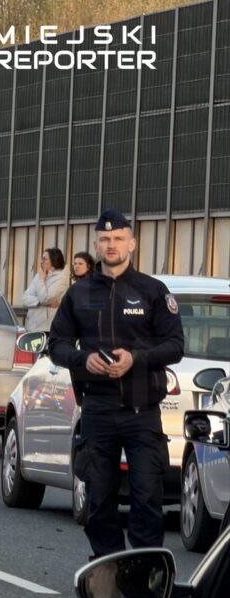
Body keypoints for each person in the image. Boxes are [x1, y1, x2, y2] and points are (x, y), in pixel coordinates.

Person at [48, 209, 184, 558]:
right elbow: (57, 344)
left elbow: (175, 345)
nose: (112, 245)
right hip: (97, 410)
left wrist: (135, 359)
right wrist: (83, 359)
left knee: (147, 498)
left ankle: (144, 573)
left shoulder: (152, 290)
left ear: (132, 244)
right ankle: (107, 569)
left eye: (119, 239)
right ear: (96, 244)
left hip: (142, 413)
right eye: (105, 239)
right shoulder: (79, 294)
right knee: (99, 499)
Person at [21, 247, 70, 332]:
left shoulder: (61, 279)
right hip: (32, 327)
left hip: (48, 328)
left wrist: (42, 280)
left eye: (45, 259)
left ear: (54, 260)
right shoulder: (39, 275)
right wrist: (40, 302)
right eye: (42, 259)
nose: (41, 262)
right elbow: (24, 298)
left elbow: (45, 299)